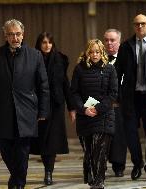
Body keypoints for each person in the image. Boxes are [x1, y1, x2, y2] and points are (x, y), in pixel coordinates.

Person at [0, 19, 50, 189]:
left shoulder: (35, 55)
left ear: (23, 35)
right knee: (4, 148)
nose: (15, 38)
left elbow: (43, 86)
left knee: (22, 152)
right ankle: (17, 180)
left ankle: (17, 185)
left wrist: (43, 111)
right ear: (5, 36)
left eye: (18, 34)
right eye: (11, 34)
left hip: (26, 112)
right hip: (1, 112)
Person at [115, 14, 146, 181]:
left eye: (143, 24)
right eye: (137, 24)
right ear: (134, 26)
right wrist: (117, 95)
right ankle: (137, 163)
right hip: (131, 97)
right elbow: (117, 73)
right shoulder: (126, 46)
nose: (140, 27)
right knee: (130, 134)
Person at [70, 39, 118, 189]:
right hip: (85, 116)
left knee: (100, 150)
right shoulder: (79, 69)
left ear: (102, 52)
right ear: (87, 53)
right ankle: (93, 178)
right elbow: (74, 93)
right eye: (91, 52)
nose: (94, 54)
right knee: (89, 151)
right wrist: (83, 109)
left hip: (104, 116)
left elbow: (113, 93)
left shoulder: (109, 69)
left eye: (97, 51)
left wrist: (98, 108)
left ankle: (99, 182)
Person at [30, 32, 75, 185]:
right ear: (39, 44)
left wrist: (71, 107)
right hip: (39, 105)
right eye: (44, 42)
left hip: (56, 105)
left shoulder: (60, 59)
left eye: (49, 42)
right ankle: (47, 169)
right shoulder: (32, 59)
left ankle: (49, 172)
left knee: (53, 141)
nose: (47, 45)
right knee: (43, 141)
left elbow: (65, 84)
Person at [103, 29, 127, 177]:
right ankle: (101, 165)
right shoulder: (98, 59)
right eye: (106, 40)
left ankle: (119, 166)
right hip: (102, 106)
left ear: (119, 42)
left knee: (119, 137)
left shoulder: (125, 59)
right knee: (103, 137)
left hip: (119, 105)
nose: (109, 43)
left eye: (112, 40)